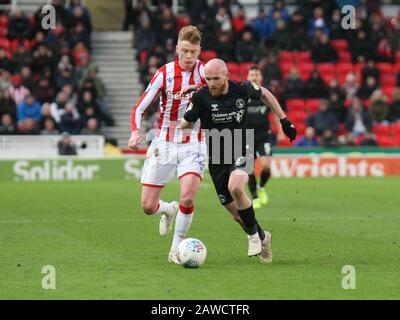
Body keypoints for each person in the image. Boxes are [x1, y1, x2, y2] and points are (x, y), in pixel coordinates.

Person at [182, 59, 297, 263]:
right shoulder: (201, 96)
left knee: (236, 186)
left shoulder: (242, 88)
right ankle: (263, 237)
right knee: (237, 215)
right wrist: (188, 112)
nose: (212, 83)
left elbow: (266, 94)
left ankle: (252, 237)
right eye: (208, 79)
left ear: (227, 76)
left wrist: (284, 120)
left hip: (242, 145)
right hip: (217, 155)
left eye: (216, 78)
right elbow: (186, 125)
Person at [128, 26, 208, 264]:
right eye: (184, 51)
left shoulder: (205, 72)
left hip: (194, 144)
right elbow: (140, 107)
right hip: (164, 143)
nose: (189, 57)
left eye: (193, 52)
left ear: (199, 51)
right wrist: (135, 131)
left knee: (188, 198)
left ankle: (176, 249)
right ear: (177, 49)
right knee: (147, 206)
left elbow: (225, 90)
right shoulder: (164, 73)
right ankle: (167, 210)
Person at [245, 66, 285, 209]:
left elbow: (274, 112)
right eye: (252, 74)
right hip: (246, 135)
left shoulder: (265, 94)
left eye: (256, 74)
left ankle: (261, 186)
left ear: (260, 77)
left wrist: (280, 131)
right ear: (248, 77)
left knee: (267, 165)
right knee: (248, 168)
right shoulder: (244, 94)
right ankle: (254, 196)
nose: (254, 77)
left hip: (264, 135)